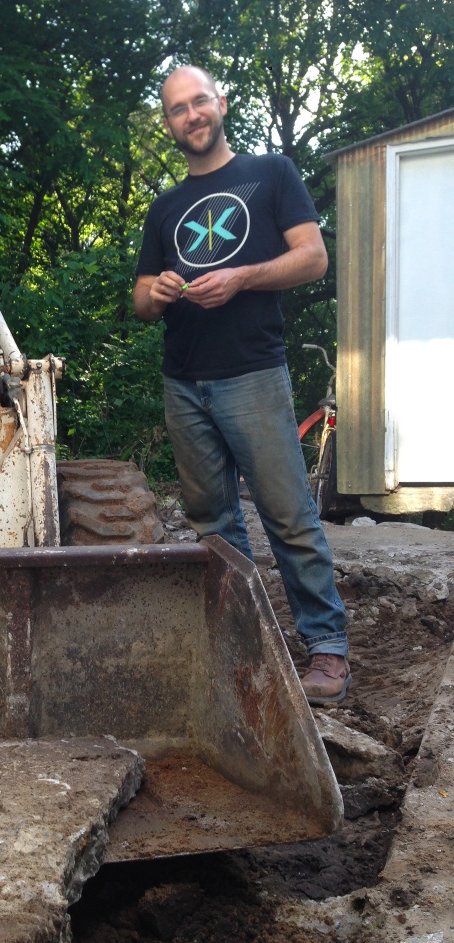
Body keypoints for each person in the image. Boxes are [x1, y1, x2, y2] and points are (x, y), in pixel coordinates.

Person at [133, 65, 350, 706]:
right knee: (214, 525)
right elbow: (142, 300)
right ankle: (242, 644)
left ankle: (328, 651)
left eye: (199, 101)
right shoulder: (166, 207)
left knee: (289, 517)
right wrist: (160, 290)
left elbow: (313, 257)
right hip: (184, 383)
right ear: (169, 124)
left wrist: (242, 277)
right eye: (177, 109)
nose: (191, 115)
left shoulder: (271, 173)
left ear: (220, 103)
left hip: (253, 374)